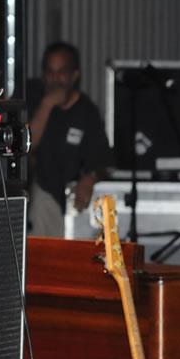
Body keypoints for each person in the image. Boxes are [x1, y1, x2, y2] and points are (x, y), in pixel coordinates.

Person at [27, 41, 112, 237]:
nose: (55, 79)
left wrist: (89, 178)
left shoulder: (86, 111)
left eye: (62, 72)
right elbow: (26, 146)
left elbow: (103, 162)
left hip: (76, 201)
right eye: (50, 72)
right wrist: (47, 104)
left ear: (75, 75)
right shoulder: (34, 96)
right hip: (42, 196)